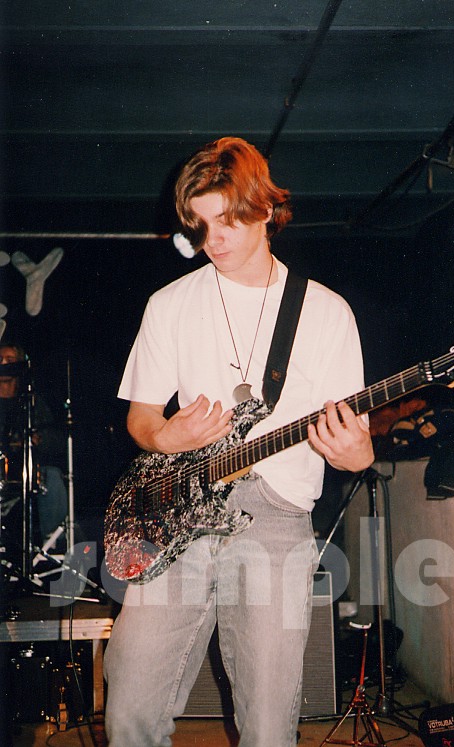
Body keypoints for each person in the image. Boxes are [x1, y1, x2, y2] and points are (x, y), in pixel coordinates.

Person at [104, 137, 374, 747]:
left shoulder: (326, 312)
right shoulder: (169, 305)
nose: (213, 240)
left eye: (226, 219)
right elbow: (141, 419)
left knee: (268, 725)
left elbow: (355, 443)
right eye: (200, 225)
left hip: (275, 520)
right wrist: (167, 434)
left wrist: (356, 453)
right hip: (177, 512)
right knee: (129, 705)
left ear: (264, 209)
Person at [0, 342, 68, 544]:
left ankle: (53, 546)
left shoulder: (32, 402)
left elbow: (57, 440)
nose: (4, 364)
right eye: (0, 360)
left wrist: (40, 439)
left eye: (10, 360)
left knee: (52, 476)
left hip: (26, 472)